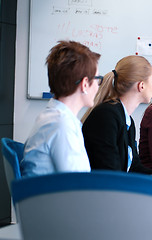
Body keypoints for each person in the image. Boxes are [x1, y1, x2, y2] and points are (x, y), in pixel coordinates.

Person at [82, 55, 152, 184]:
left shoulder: (127, 120)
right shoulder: (106, 116)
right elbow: (111, 175)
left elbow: (134, 167)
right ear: (141, 86)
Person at [20, 41, 101, 177]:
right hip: (56, 197)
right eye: (97, 79)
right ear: (85, 84)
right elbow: (77, 186)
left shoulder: (56, 116)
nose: (98, 86)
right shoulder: (62, 124)